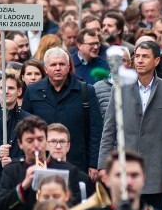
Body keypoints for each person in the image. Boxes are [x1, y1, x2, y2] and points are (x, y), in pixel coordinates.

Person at [97, 41, 162, 210]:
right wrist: (102, 165)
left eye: (145, 56)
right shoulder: (120, 87)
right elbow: (109, 129)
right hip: (124, 168)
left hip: (156, 168)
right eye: (137, 56)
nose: (139, 60)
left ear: (157, 61)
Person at [22, 48, 103, 177]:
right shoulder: (33, 91)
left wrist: (94, 164)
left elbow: (96, 130)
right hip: (42, 163)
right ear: (45, 69)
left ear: (69, 66)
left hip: (78, 163)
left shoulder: (86, 91)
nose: (58, 68)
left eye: (62, 64)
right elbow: (25, 128)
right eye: (53, 65)